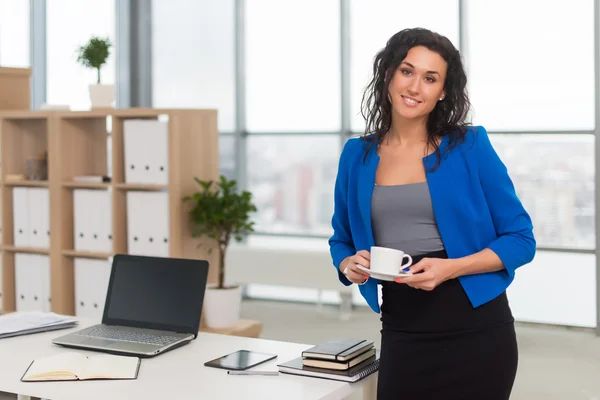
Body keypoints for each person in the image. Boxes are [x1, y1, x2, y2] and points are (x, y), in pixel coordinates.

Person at [329, 27, 535, 400]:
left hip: (477, 331)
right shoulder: (355, 156)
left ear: (442, 91)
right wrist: (348, 265)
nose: (415, 87)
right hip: (402, 329)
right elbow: (341, 239)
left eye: (430, 78)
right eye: (407, 71)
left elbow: (521, 239)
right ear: (388, 74)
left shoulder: (470, 146)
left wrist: (451, 268)